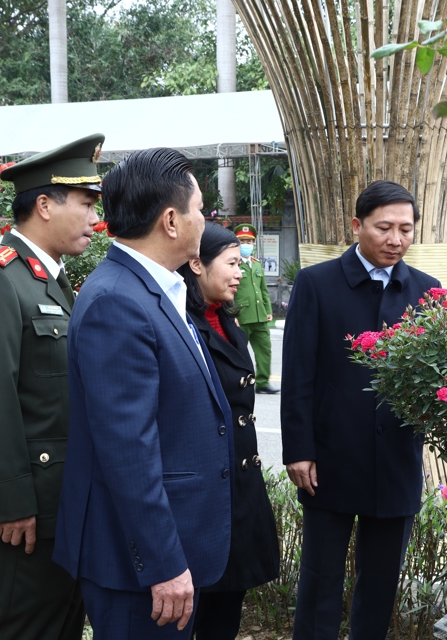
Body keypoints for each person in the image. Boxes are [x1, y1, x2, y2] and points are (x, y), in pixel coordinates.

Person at [53, 148, 234, 639]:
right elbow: (127, 450)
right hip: (140, 565)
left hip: (167, 550)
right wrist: (163, 563)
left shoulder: (155, 289)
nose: (205, 220)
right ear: (172, 220)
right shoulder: (118, 301)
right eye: (200, 209)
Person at [0, 133, 105, 640]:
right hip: (24, 515)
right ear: (44, 205)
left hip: (59, 507)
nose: (94, 221)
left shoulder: (50, 282)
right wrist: (13, 502)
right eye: (84, 204)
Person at [280, 180, 441, 640]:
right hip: (330, 458)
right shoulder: (317, 284)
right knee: (320, 579)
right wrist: (299, 450)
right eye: (384, 228)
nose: (396, 240)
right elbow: (298, 376)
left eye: (406, 230)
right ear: (357, 225)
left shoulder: (427, 292)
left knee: (381, 582)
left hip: (395, 461)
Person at [176, 222, 280, 640]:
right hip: (206, 498)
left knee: (225, 615)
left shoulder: (226, 320)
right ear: (197, 264)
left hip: (238, 491)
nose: (240, 272)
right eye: (232, 263)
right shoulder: (182, 323)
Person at [232, 223, 279, 394]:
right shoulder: (232, 264)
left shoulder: (256, 264)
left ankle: (262, 382)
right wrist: (232, 314)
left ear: (254, 244)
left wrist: (268, 310)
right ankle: (240, 383)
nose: (246, 244)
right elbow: (228, 290)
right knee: (239, 353)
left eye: (249, 241)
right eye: (242, 240)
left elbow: (263, 290)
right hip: (241, 317)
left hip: (259, 317)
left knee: (264, 350)